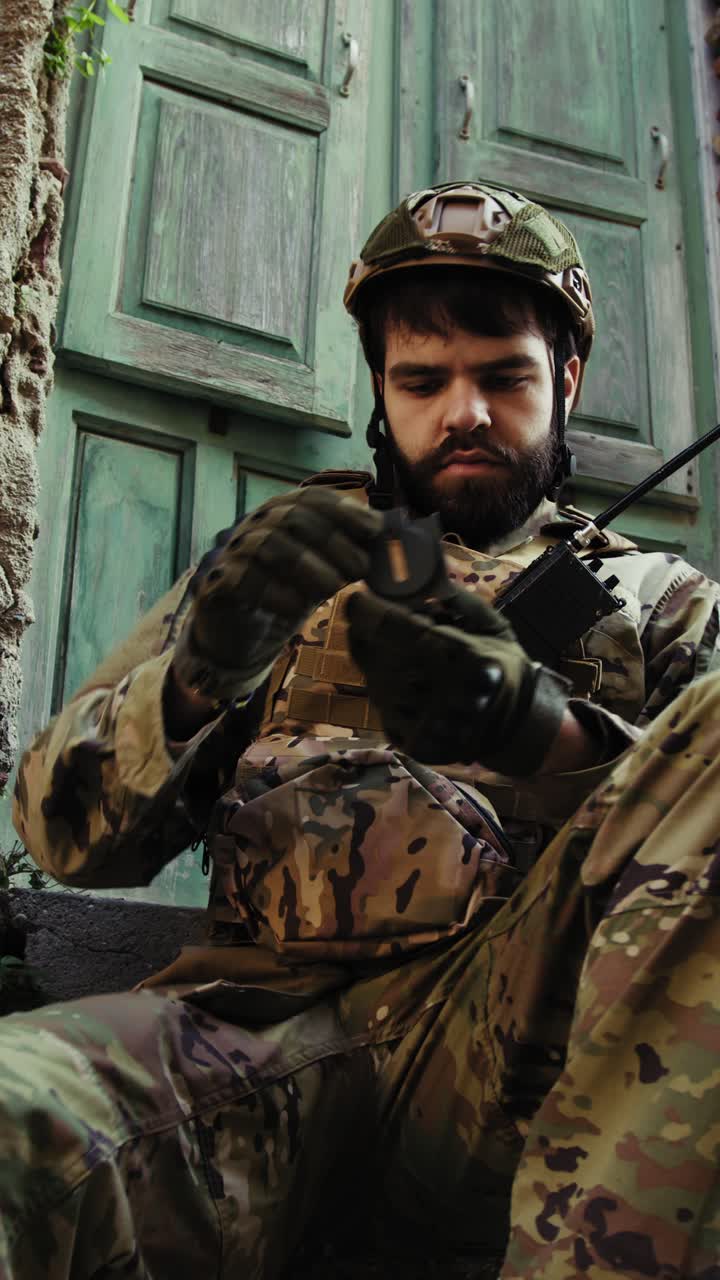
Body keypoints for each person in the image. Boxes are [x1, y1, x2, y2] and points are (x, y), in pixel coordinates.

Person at [4, 182, 720, 1278]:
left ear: (565, 380)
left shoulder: (662, 600)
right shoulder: (292, 556)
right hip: (243, 1045)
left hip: (523, 1071)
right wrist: (198, 677)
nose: (464, 413)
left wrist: (539, 733)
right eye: (422, 381)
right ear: (381, 394)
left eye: (504, 376)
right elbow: (64, 839)